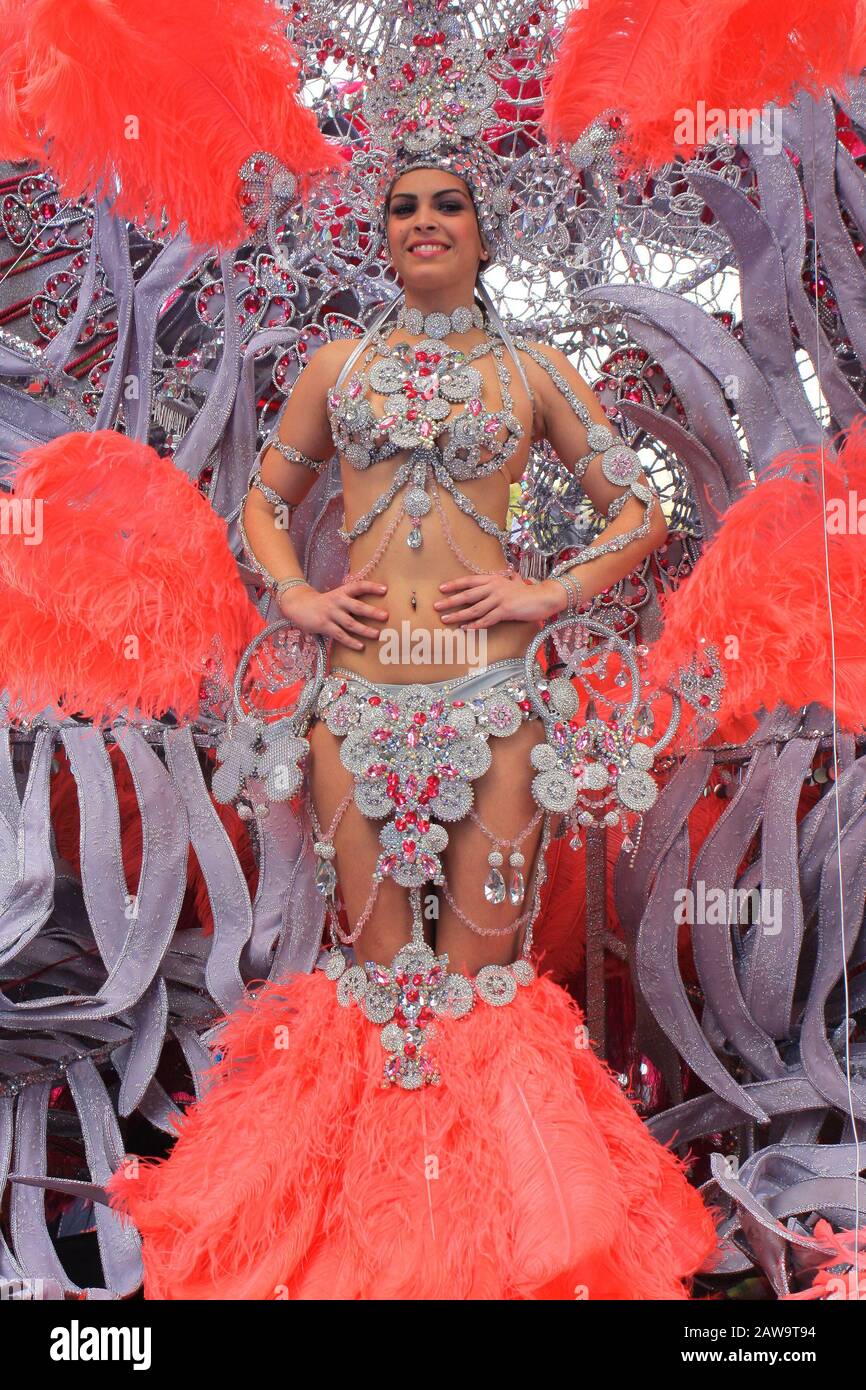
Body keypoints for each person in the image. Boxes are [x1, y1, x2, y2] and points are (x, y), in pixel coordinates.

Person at [103, 156, 723, 1300]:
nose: (425, 222)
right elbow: (264, 500)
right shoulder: (339, 367)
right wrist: (294, 594)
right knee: (384, 980)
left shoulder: (530, 371)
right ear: (381, 238)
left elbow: (636, 507)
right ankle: (382, 1257)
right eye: (404, 208)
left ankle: (501, 1260)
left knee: (479, 983)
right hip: (355, 703)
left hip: (496, 707)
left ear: (484, 240)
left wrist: (546, 594)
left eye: (448, 208)